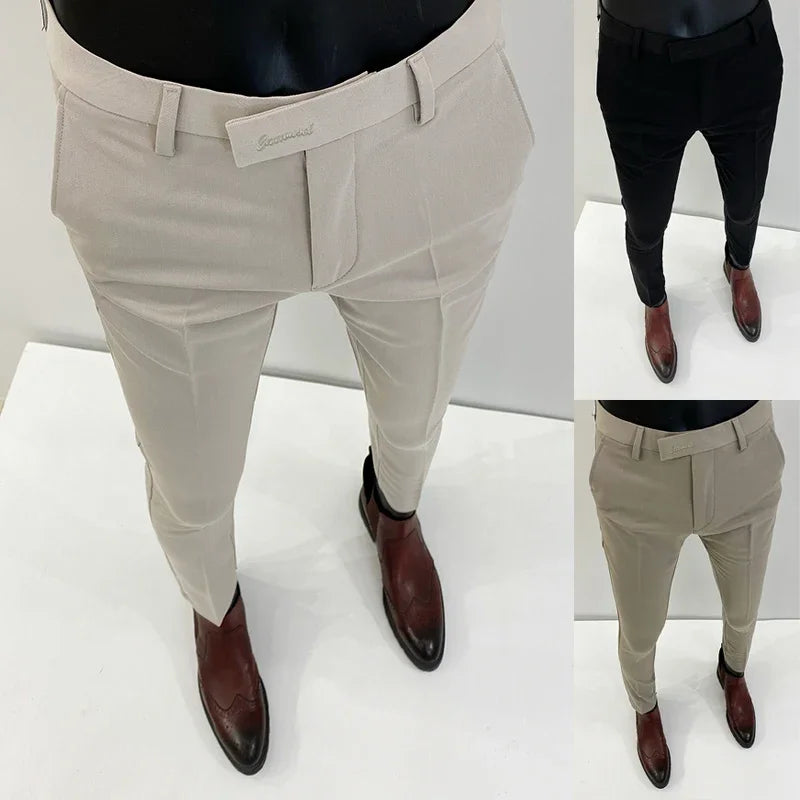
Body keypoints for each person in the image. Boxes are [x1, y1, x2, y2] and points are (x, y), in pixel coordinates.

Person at [42, 0, 533, 774]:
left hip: (426, 105)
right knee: (191, 480)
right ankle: (214, 605)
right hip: (161, 150)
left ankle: (393, 511)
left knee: (419, 404)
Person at [590, 401, 783, 788]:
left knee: (744, 607)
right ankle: (645, 706)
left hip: (742, 451)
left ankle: (733, 672)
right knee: (640, 628)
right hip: (638, 464)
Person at [595, 0, 782, 382]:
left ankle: (739, 265)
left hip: (742, 50)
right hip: (638, 64)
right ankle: (655, 301)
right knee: (646, 221)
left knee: (746, 198)